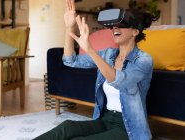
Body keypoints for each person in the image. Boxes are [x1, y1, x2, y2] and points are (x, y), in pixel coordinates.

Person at [34, 0, 155, 139]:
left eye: (122, 25)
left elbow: (118, 80)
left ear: (135, 31)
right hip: (104, 119)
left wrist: (90, 50)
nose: (115, 28)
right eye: (114, 25)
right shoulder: (108, 54)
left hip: (129, 129)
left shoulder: (144, 60)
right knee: (67, 127)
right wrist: (69, 28)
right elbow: (70, 60)